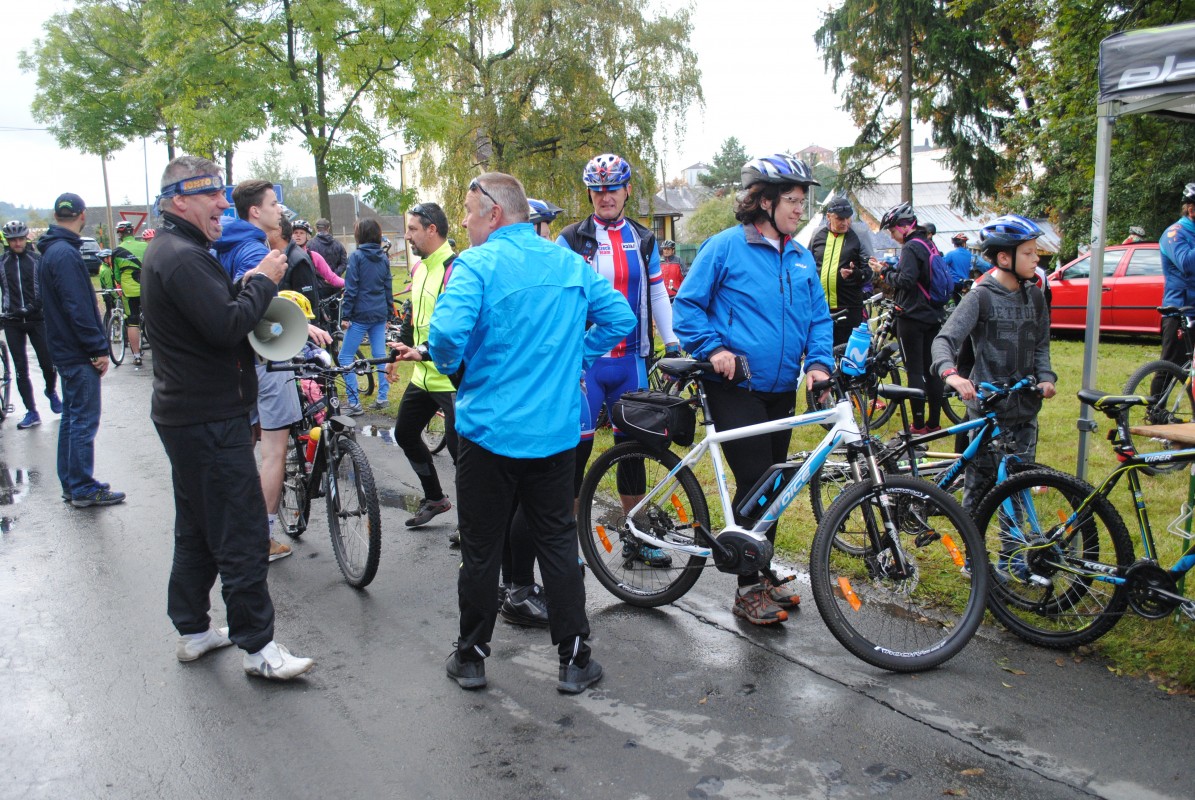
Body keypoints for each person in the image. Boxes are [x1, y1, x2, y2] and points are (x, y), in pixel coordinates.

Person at [423, 172, 634, 693]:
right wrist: (576, 357)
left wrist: (457, 370)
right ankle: (575, 660)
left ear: (494, 213)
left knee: (481, 548)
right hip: (554, 433)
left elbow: (445, 337)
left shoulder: (475, 264)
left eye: (468, 212)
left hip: (488, 433)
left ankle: (471, 657)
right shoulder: (569, 263)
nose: (465, 222)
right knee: (557, 544)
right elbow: (620, 318)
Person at [141, 155, 313, 680]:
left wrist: (250, 287)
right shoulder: (182, 256)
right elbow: (224, 325)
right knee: (240, 529)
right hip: (208, 418)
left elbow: (213, 315)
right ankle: (259, 648)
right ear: (179, 201)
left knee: (196, 526)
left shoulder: (180, 249)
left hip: (190, 414)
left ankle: (193, 629)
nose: (223, 203)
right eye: (212, 194)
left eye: (223, 192)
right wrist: (263, 280)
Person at [673, 154, 833, 625]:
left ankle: (760, 570)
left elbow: (818, 318)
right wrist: (714, 348)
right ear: (765, 201)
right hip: (733, 385)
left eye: (802, 201)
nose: (800, 209)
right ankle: (746, 589)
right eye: (792, 200)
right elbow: (687, 306)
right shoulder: (725, 247)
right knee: (758, 481)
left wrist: (818, 363)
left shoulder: (799, 256)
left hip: (781, 388)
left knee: (775, 487)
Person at [557, 153, 680, 567]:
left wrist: (672, 343)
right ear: (589, 193)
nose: (605, 196)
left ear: (627, 190)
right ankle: (566, 547)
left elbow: (657, 292)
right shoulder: (571, 239)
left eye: (612, 189)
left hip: (631, 362)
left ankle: (637, 536)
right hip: (586, 365)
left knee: (633, 452)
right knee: (576, 453)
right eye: (597, 190)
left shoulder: (643, 239)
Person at [931, 214, 1057, 516]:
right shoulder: (981, 296)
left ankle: (1012, 546)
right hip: (988, 409)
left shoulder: (1036, 296)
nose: (1036, 258)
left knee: (1018, 486)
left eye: (1035, 252)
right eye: (1028, 252)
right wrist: (951, 374)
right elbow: (944, 340)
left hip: (1025, 407)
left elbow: (1041, 344)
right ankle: (972, 544)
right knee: (979, 488)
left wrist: (1045, 376)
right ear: (1004, 257)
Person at [214, 179, 309, 562]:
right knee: (274, 451)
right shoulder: (256, 248)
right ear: (254, 211)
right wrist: (301, 326)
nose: (279, 210)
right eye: (273, 204)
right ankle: (263, 537)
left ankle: (236, 523)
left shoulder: (225, 242)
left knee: (247, 444)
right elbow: (259, 305)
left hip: (239, 362)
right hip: (267, 358)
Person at [36, 194, 124, 508]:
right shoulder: (65, 253)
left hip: (63, 347)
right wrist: (98, 348)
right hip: (76, 351)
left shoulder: (51, 250)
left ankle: (72, 483)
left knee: (73, 418)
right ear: (83, 215)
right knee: (83, 420)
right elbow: (78, 307)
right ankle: (83, 486)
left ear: (56, 215)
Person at [385, 202, 459, 533]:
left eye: (413, 229)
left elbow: (455, 328)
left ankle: (472, 523)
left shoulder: (454, 269)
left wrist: (424, 353)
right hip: (423, 376)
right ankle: (435, 498)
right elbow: (412, 316)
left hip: (450, 380)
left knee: (461, 455)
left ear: (432, 229)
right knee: (404, 433)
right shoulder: (419, 268)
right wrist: (396, 356)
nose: (407, 235)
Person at [872, 201, 945, 435]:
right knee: (931, 370)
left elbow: (905, 280)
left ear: (904, 227)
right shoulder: (928, 243)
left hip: (912, 316)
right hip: (932, 314)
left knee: (914, 370)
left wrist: (883, 272)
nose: (892, 236)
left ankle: (919, 425)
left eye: (892, 231)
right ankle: (934, 423)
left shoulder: (911, 247)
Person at [1, 219, 60, 429]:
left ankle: (50, 391)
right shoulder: (2, 263)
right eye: (12, 240)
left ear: (26, 238)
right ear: (7, 241)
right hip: (12, 321)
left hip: (37, 319)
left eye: (20, 239)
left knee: (48, 364)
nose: (17, 243)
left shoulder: (37, 260)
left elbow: (47, 289)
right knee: (21, 369)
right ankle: (32, 411)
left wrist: (32, 308)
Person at [339, 217, 391, 414]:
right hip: (379, 313)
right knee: (380, 356)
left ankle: (354, 403)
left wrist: (346, 315)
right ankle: (383, 397)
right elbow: (388, 286)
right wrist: (389, 314)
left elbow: (351, 288)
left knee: (345, 357)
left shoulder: (356, 257)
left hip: (360, 314)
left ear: (359, 235)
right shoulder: (384, 258)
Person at [809, 195, 871, 346]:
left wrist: (855, 274)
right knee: (820, 351)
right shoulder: (817, 234)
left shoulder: (860, 234)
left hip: (849, 308)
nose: (845, 223)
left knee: (847, 356)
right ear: (829, 217)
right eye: (840, 219)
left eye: (848, 218)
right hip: (820, 307)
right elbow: (808, 266)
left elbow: (870, 271)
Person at [1159, 183, 1195, 379]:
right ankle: (1157, 400)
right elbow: (1186, 263)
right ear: (1191, 209)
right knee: (1170, 367)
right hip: (1180, 311)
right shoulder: (1174, 233)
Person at [290, 219, 343, 321]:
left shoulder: (314, 256)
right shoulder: (284, 255)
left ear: (307, 236)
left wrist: (349, 284)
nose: (298, 235)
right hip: (290, 303)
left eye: (302, 233)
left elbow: (331, 277)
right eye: (295, 232)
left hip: (310, 304)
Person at [112, 220, 147, 367]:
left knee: (132, 322)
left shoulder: (116, 251)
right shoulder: (145, 246)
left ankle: (137, 356)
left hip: (129, 290)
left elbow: (116, 276)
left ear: (120, 234)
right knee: (153, 319)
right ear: (133, 231)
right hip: (146, 287)